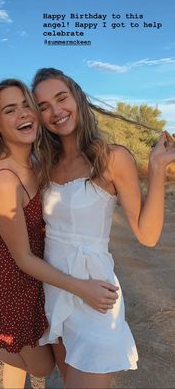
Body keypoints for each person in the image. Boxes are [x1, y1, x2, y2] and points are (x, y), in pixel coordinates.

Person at [0, 79, 119, 389]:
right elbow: (22, 257)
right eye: (11, 109)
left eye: (27, 105)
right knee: (41, 365)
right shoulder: (3, 180)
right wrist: (82, 287)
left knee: (39, 351)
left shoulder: (39, 162)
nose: (24, 113)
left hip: (44, 276)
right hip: (11, 281)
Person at [31, 68, 175, 389]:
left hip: (96, 295)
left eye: (61, 98)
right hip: (55, 290)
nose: (55, 111)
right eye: (43, 106)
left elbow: (147, 235)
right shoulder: (43, 164)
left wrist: (157, 167)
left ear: (78, 98)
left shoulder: (112, 157)